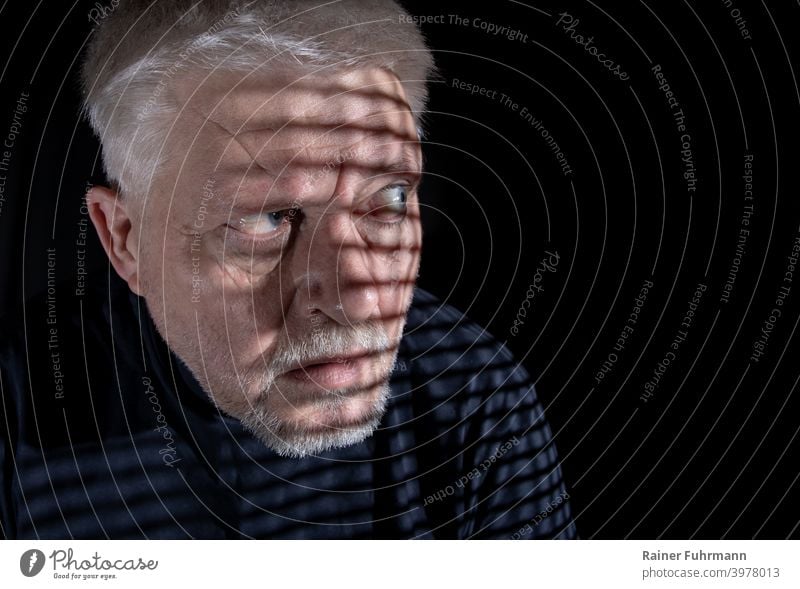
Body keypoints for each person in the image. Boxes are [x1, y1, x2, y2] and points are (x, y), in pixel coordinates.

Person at [0, 0, 576, 539]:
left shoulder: (471, 394)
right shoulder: (20, 415)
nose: (358, 302)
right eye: (264, 219)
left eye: (391, 198)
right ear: (126, 242)